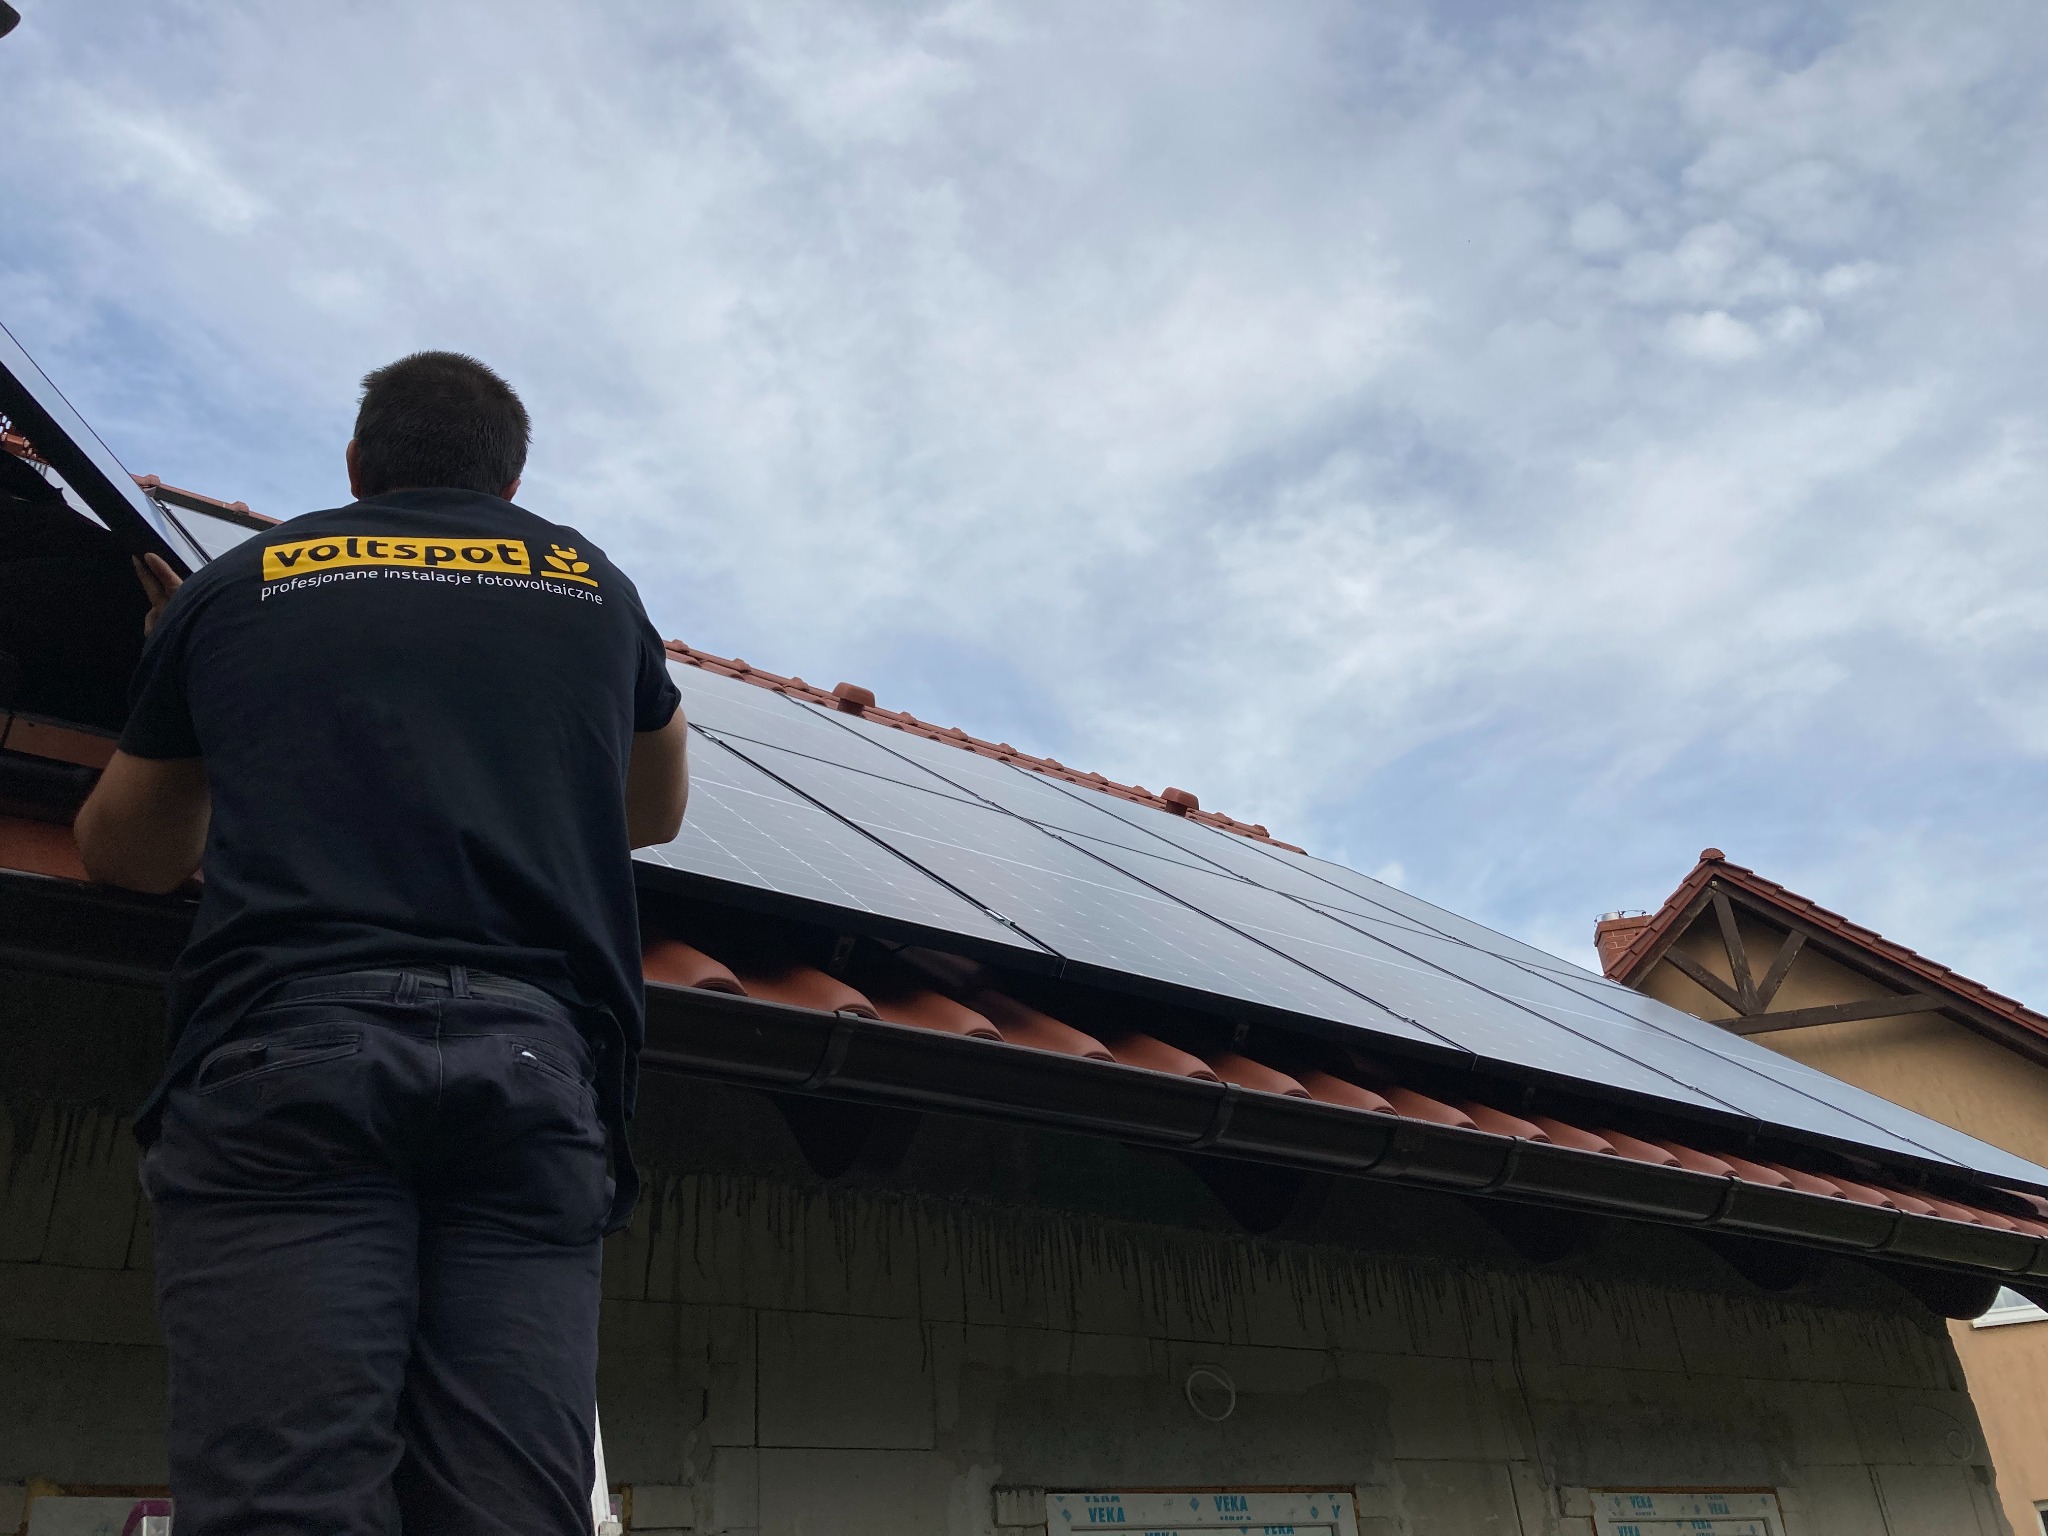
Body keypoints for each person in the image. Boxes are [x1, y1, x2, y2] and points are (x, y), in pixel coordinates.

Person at [73, 351, 689, 1534]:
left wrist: (204, 684)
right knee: (512, 1509)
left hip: (288, 1060)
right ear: (511, 485)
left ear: (355, 468)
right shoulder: (591, 585)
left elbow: (131, 854)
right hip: (532, 1074)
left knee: (286, 1501)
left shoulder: (244, 580)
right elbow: (650, 814)